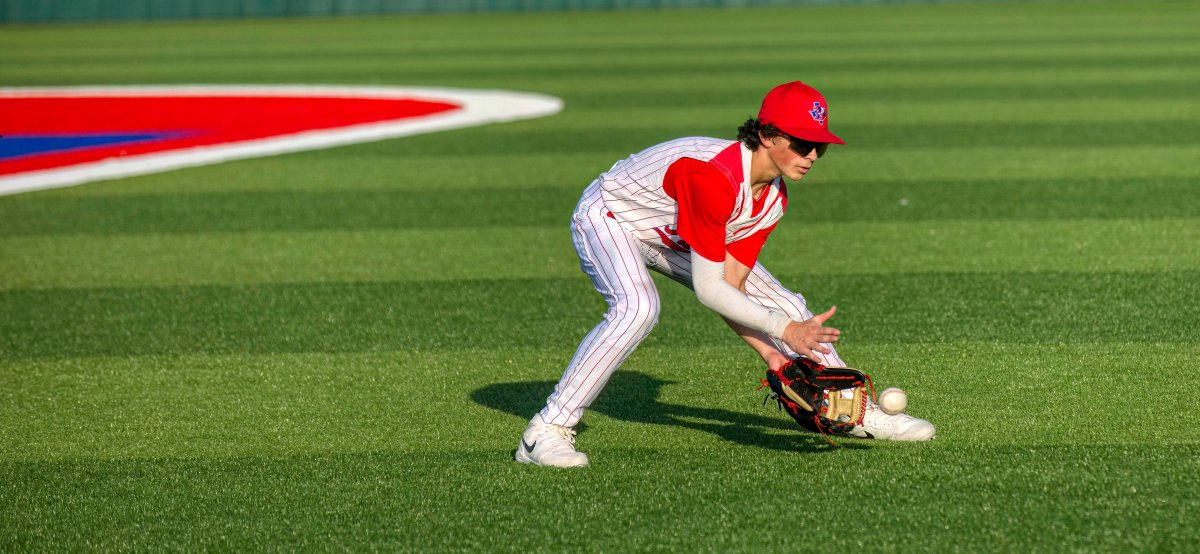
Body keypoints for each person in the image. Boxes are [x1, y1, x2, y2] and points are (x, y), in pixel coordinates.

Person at [516, 82, 935, 468]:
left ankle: (854, 411)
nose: (811, 155)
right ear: (768, 135)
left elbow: (731, 288)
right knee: (637, 309)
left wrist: (773, 354)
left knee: (785, 304)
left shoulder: (772, 198)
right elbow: (710, 290)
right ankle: (545, 431)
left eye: (819, 147)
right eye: (802, 143)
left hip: (673, 234)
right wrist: (782, 333)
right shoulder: (714, 176)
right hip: (611, 218)